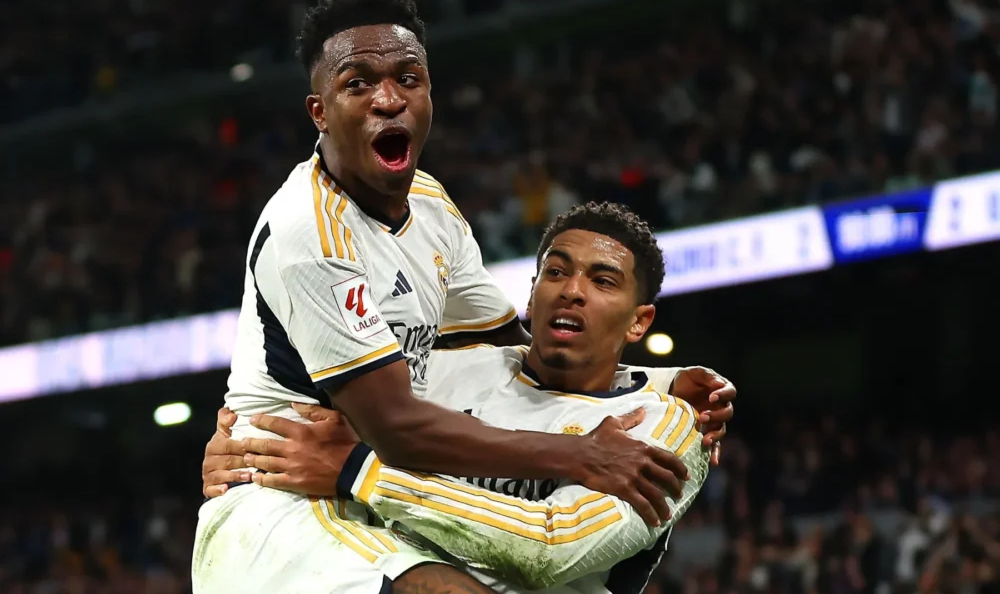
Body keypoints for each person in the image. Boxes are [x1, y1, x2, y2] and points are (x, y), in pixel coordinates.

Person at [199, 202, 730, 593]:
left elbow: (552, 547)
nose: (571, 290)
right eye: (556, 271)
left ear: (640, 321)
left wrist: (364, 474)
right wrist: (243, 449)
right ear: (531, 291)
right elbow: (319, 435)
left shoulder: (668, 427)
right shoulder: (449, 370)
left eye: (603, 280)